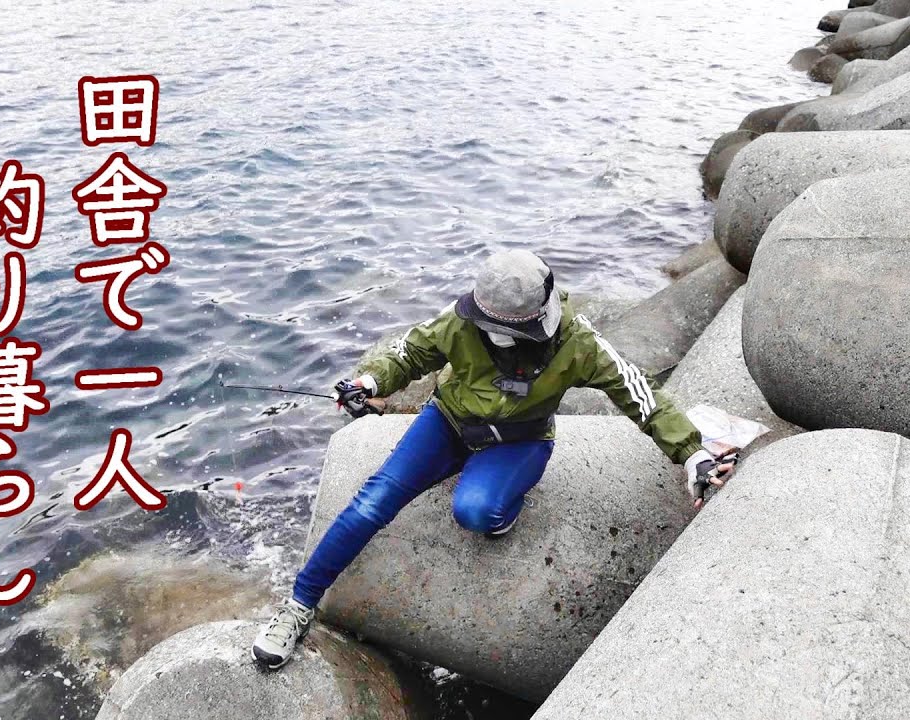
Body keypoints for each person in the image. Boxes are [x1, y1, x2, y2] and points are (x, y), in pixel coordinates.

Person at [251, 249, 733, 669]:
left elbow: (639, 391)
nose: (498, 336)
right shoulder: (460, 320)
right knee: (372, 502)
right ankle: (297, 606)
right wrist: (371, 382)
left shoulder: (577, 342)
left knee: (477, 512)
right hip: (447, 423)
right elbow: (410, 351)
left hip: (519, 441)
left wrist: (691, 453)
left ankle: (504, 499)